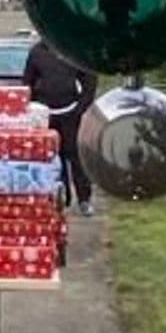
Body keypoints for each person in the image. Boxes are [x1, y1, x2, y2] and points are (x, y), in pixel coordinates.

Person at [26, 34, 98, 217]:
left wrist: (81, 107)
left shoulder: (74, 50)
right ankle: (60, 199)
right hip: (46, 115)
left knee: (76, 157)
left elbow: (89, 80)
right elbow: (28, 82)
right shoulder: (36, 53)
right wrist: (34, 108)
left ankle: (84, 200)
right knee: (51, 159)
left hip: (71, 112)